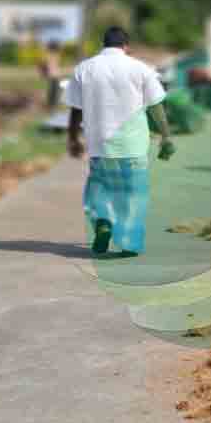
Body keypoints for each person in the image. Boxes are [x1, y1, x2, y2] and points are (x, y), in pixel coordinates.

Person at [66, 27, 176, 257]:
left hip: (100, 145)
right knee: (133, 194)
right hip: (133, 146)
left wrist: (73, 138)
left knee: (101, 189)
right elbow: (156, 106)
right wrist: (166, 136)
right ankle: (128, 244)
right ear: (126, 46)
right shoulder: (140, 69)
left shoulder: (84, 69)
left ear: (103, 44)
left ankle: (103, 222)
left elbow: (76, 109)